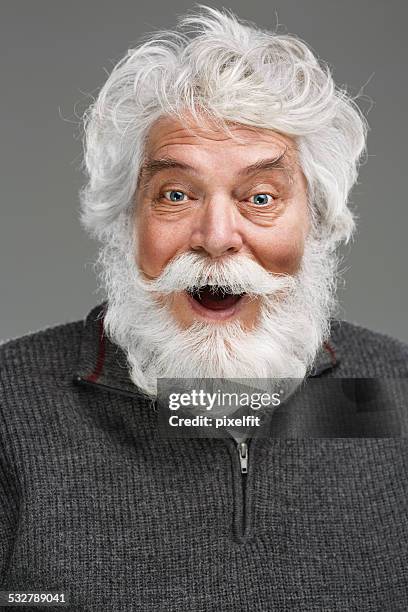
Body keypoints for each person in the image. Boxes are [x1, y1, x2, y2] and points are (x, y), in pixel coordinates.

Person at [0, 6, 407, 611]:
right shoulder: (9, 406)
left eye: (261, 197)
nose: (217, 235)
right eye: (175, 194)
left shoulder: (397, 392)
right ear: (125, 222)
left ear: (317, 221)